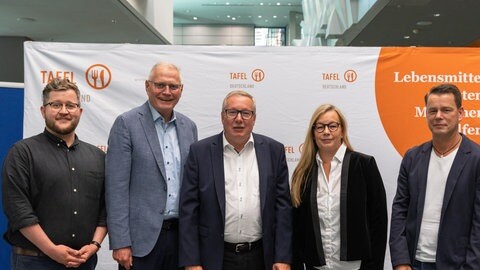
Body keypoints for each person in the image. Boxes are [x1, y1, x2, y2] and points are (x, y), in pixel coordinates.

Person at [178, 90, 292, 270]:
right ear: (222, 116)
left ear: (254, 118)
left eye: (246, 113)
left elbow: (283, 209)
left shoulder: (273, 151)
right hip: (214, 257)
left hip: (262, 257)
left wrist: (283, 257)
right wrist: (192, 261)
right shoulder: (200, 152)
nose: (239, 119)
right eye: (232, 112)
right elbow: (189, 210)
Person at [2, 78, 107, 269]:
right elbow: (18, 210)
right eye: (56, 105)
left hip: (83, 262)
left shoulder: (98, 157)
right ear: (43, 111)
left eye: (70, 105)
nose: (64, 111)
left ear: (80, 112)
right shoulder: (22, 153)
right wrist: (51, 249)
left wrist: (95, 245)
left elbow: (106, 209)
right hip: (34, 262)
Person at [105, 62, 198, 270]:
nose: (167, 92)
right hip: (141, 243)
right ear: (147, 86)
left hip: (181, 240)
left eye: (173, 86)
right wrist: (121, 242)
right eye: (160, 85)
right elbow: (116, 188)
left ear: (181, 90)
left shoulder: (189, 127)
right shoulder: (126, 124)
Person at [390, 83, 480, 269]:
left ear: (461, 113)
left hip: (457, 264)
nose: (439, 116)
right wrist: (401, 260)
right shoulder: (412, 157)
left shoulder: (476, 159)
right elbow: (400, 210)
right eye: (433, 111)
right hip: (414, 263)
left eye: (446, 110)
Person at [290, 104, 388, 270]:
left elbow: (378, 223)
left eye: (332, 126)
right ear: (313, 133)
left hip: (356, 267)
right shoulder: (303, 173)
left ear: (342, 131)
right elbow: (297, 228)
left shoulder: (364, 165)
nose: (326, 132)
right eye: (320, 127)